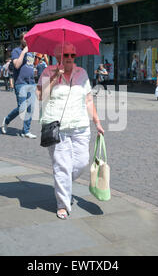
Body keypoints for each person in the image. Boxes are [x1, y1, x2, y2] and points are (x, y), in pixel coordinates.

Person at [36, 42, 105, 220]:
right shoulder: (48, 71)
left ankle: (63, 182)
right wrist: (54, 78)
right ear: (57, 56)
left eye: (72, 55)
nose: (69, 58)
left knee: (82, 162)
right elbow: (40, 96)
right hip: (56, 127)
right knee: (62, 166)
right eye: (65, 55)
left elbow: (88, 100)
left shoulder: (81, 73)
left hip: (80, 126)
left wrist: (97, 121)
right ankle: (63, 205)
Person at [2, 32, 37, 139]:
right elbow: (17, 65)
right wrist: (24, 52)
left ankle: (25, 131)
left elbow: (31, 66)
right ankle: (7, 120)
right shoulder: (16, 51)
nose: (27, 41)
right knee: (22, 107)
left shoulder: (31, 53)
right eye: (25, 39)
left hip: (31, 82)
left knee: (30, 108)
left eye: (28, 39)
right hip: (20, 83)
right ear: (21, 39)